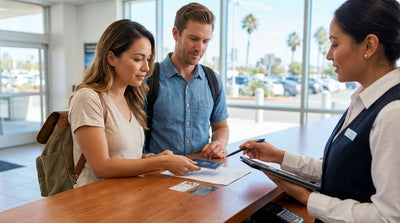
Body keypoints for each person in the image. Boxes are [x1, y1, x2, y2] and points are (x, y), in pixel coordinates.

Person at [241, 0, 400, 222]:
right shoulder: (365, 100)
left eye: (335, 44)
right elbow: (340, 171)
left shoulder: (393, 114)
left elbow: (388, 217)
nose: (328, 55)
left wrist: (307, 199)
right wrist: (280, 157)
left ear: (369, 46)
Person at [69, 19, 200, 187]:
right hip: (98, 204)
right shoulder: (88, 98)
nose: (146, 67)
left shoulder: (130, 99)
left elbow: (125, 156)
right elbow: (101, 166)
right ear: (111, 58)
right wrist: (163, 163)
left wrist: (152, 158)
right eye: (138, 59)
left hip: (128, 198)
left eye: (148, 59)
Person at [145, 3, 229, 158]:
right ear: (176, 33)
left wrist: (219, 143)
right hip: (158, 175)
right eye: (194, 39)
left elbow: (221, 126)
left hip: (202, 172)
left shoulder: (213, 80)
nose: (200, 47)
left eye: (205, 41)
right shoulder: (148, 79)